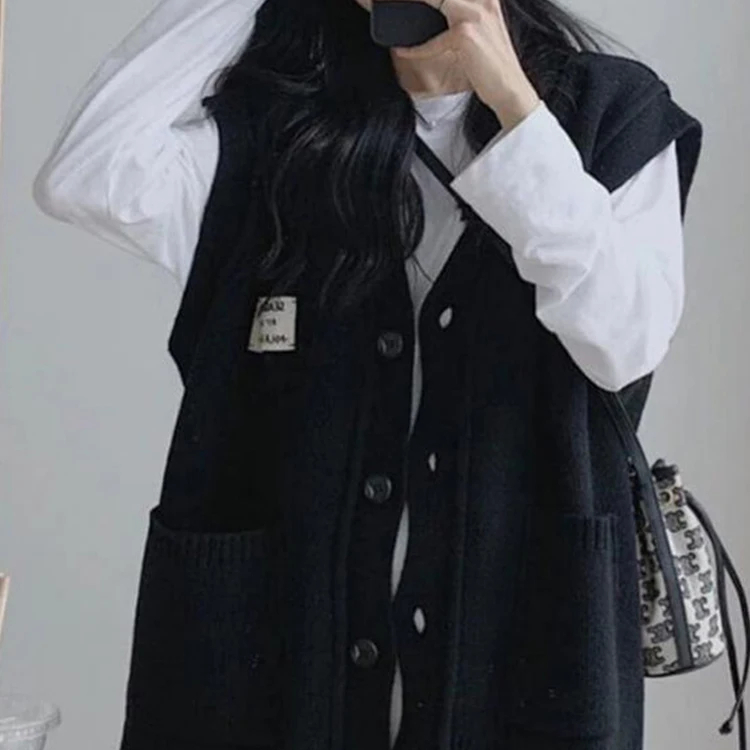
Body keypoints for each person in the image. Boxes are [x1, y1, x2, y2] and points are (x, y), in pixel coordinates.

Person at [32, 1, 702, 749]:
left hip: (520, 669)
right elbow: (88, 175)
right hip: (278, 681)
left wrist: (515, 104)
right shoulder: (284, 124)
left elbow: (625, 340)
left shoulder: (610, 115)